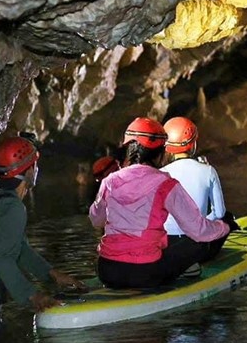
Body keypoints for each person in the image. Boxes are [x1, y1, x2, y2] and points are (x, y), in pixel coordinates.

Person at [0, 133, 87, 318]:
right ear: (28, 171)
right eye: (34, 165)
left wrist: (52, 274)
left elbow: (19, 249)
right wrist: (34, 296)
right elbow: (3, 260)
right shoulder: (13, 208)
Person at [89, 117, 231, 289]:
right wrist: (224, 227)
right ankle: (189, 270)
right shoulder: (165, 183)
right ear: (161, 152)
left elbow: (96, 219)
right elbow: (198, 230)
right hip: (145, 272)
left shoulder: (109, 182)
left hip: (107, 270)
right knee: (198, 242)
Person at [161, 117, 236, 265]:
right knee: (227, 218)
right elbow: (219, 213)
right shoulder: (208, 170)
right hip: (196, 248)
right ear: (193, 144)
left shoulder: (160, 174)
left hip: (166, 248)